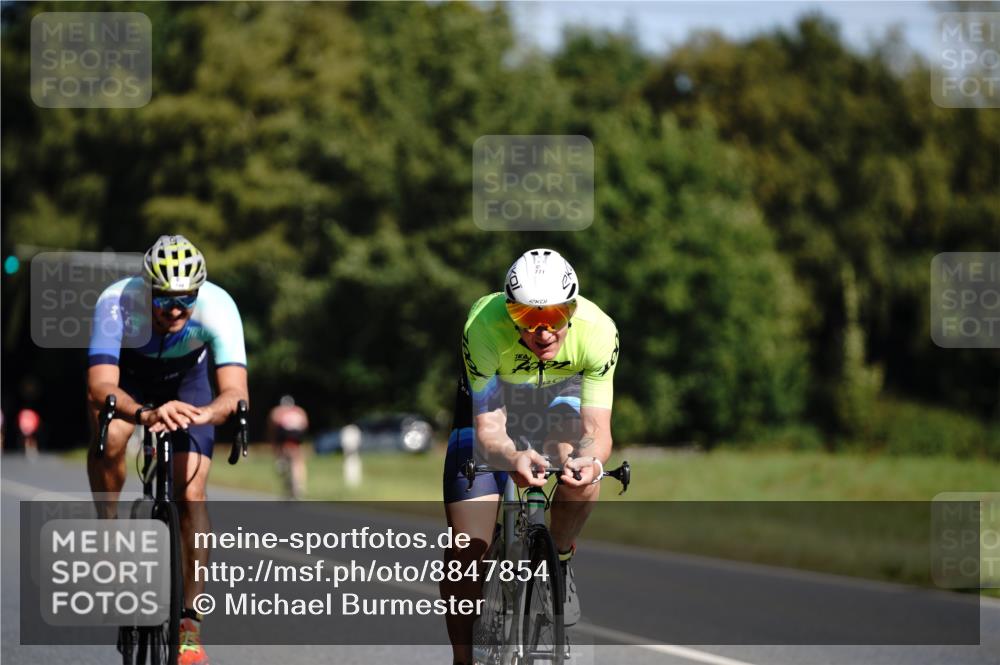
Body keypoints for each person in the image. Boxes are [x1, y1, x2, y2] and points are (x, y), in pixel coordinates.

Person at [440, 248, 619, 665]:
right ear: (509, 310)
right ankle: (463, 660)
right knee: (468, 545)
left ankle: (558, 559)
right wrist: (511, 456)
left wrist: (586, 461)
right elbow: (489, 430)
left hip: (561, 401)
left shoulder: (598, 331)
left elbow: (596, 432)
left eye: (556, 316)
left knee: (584, 474)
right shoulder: (483, 325)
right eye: (527, 318)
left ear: (573, 309)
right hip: (496, 403)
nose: (543, 332)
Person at [87, 235, 248, 665]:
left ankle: (189, 624)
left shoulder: (219, 307)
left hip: (188, 384)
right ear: (147, 290)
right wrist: (143, 414)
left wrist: (205, 414)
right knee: (114, 439)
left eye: (185, 299)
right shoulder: (115, 302)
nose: (176, 310)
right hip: (130, 382)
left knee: (191, 495)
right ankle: (108, 528)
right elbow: (100, 385)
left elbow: (233, 392)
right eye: (164, 301)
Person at [267, 394, 309, 499]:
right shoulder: (299, 411)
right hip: (297, 436)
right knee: (298, 459)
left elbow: (272, 428)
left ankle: (282, 463)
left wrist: (274, 446)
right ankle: (299, 485)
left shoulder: (277, 411)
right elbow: (305, 425)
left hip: (284, 435)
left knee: (283, 455)